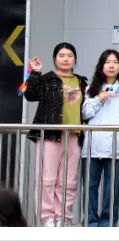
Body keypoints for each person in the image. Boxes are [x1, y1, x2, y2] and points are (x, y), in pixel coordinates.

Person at [24, 43, 87, 227]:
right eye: (61, 55)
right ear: (55, 59)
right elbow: (30, 94)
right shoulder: (47, 79)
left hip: (74, 135)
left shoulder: (82, 82)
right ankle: (48, 218)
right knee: (47, 178)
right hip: (50, 134)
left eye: (69, 55)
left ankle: (63, 217)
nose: (65, 59)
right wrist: (35, 72)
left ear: (75, 59)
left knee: (69, 180)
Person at [80, 49, 119, 226]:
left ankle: (108, 223)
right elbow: (85, 113)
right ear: (101, 66)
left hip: (117, 147)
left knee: (112, 189)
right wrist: (99, 98)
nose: (111, 65)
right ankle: (90, 222)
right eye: (107, 62)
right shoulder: (91, 89)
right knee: (90, 187)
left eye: (115, 62)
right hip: (92, 146)